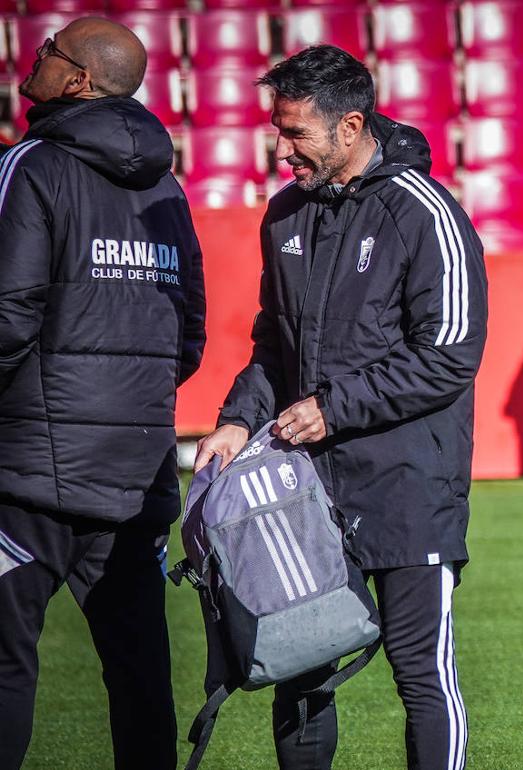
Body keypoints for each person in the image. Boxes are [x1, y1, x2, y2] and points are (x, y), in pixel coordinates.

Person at [193, 45, 486, 770]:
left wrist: (333, 407)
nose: (280, 148)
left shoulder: (426, 212)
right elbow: (273, 343)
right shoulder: (284, 215)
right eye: (276, 129)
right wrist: (237, 418)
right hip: (305, 489)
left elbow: (449, 352)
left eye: (296, 134)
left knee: (422, 677)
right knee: (299, 672)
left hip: (411, 483)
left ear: (350, 126)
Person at [0, 17, 207, 770]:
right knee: (140, 674)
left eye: (49, 50)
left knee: (5, 667)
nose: (36, 56)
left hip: (26, 478)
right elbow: (190, 333)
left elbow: (6, 315)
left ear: (78, 80)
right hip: (136, 474)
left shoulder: (29, 166)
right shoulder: (168, 185)